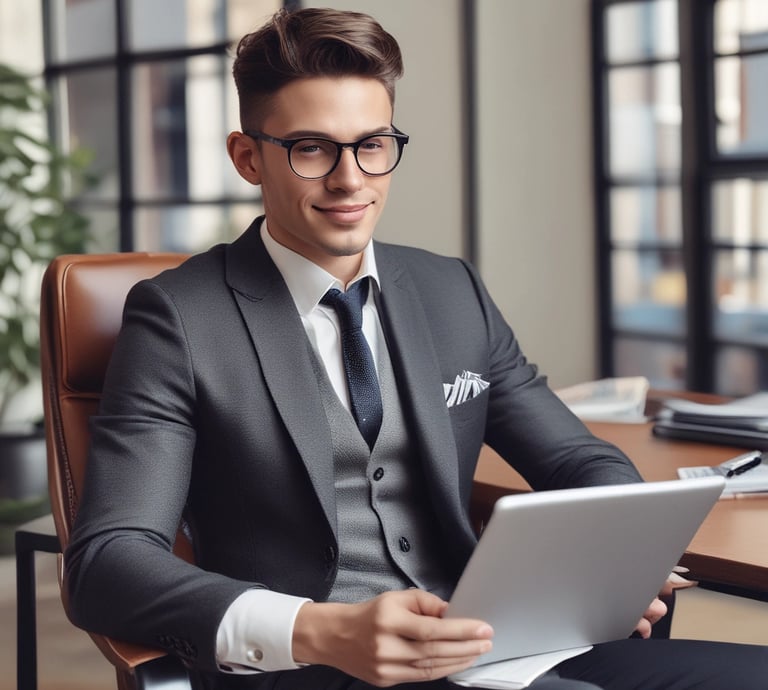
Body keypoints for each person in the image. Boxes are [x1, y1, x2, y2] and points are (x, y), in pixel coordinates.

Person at [65, 7, 767, 690]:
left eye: (372, 144)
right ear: (248, 157)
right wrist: (318, 629)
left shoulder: (448, 288)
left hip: (499, 644)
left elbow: (573, 456)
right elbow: (108, 562)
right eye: (311, 148)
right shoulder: (179, 317)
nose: (351, 179)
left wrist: (620, 556)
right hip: (314, 671)